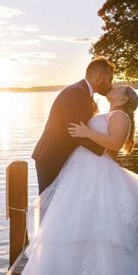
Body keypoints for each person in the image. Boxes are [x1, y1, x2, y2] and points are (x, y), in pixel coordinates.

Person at [18, 82, 138, 275]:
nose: (112, 87)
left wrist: (87, 133)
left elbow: (115, 143)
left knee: (103, 225)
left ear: (124, 99)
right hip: (82, 170)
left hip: (99, 171)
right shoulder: (109, 113)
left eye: (118, 88)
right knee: (76, 219)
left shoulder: (120, 116)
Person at [31, 57, 114, 195]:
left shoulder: (83, 92)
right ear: (100, 77)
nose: (111, 85)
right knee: (49, 203)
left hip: (61, 156)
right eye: (110, 79)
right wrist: (105, 153)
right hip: (52, 157)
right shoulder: (77, 92)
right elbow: (76, 133)